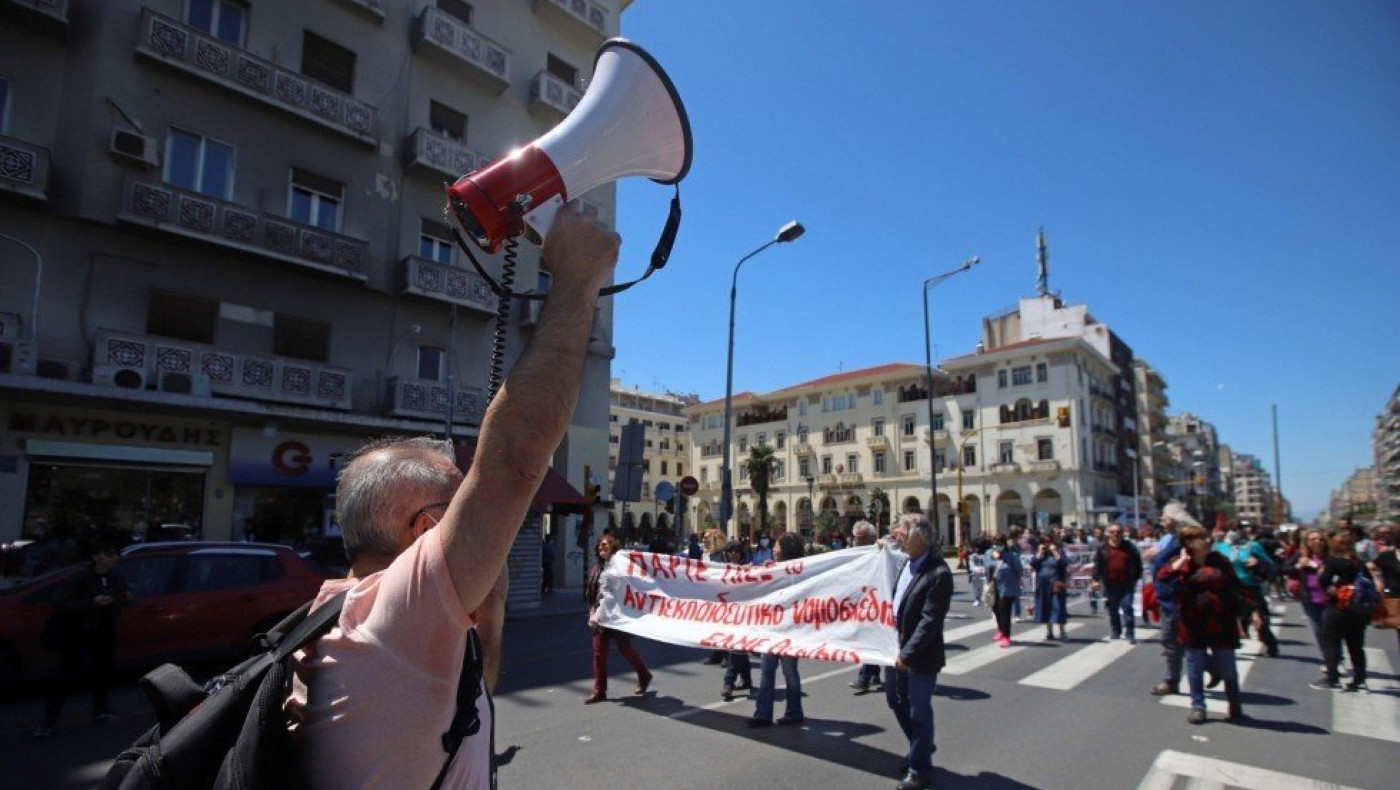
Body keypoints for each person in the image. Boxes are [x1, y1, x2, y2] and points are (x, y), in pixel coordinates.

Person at [284, 204, 619, 790]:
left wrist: (491, 605)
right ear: (422, 531)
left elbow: (472, 696)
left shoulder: (341, 610)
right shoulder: (391, 619)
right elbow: (513, 463)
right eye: (459, 506)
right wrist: (578, 279)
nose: (478, 518)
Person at [35, 536, 133, 738]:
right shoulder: (81, 578)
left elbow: (124, 597)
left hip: (105, 630)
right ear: (96, 557)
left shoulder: (116, 577)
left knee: (103, 670)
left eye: (115, 554)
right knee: (65, 675)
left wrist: (125, 599)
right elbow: (63, 604)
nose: (114, 558)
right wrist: (92, 602)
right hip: (80, 632)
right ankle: (49, 721)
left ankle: (100, 709)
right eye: (109, 554)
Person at [885, 515, 953, 790]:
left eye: (903, 531)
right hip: (894, 648)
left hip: (920, 656)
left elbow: (930, 621)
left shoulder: (939, 573)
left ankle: (919, 769)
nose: (897, 535)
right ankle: (920, 746)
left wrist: (908, 654)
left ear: (920, 537)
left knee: (918, 712)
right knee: (894, 700)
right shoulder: (906, 563)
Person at [1156, 524, 1247, 724]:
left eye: (1206, 537)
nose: (1207, 540)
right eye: (1201, 538)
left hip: (1221, 621)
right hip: (1193, 622)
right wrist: (1179, 563)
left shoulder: (1219, 560)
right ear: (1189, 543)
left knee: (1228, 667)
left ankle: (1234, 704)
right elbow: (1162, 578)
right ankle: (1198, 706)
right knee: (1195, 666)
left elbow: (1236, 586)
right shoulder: (1180, 563)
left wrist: (1249, 614)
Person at [747, 532, 807, 727]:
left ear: (786, 549)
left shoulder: (801, 571)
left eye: (777, 546)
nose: (773, 548)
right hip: (772, 629)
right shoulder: (773, 568)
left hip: (789, 630)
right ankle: (762, 714)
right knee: (767, 670)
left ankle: (794, 712)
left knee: (790, 672)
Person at [585, 534, 653, 703]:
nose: (601, 547)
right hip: (601, 616)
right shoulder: (597, 568)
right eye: (599, 545)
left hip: (617, 615)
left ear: (613, 547)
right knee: (599, 653)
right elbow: (592, 594)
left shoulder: (621, 567)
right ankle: (600, 690)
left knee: (625, 648)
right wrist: (592, 612)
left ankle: (644, 674)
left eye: (605, 544)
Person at [1310, 532, 1370, 692]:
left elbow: (1323, 581)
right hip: (1358, 609)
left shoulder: (1333, 562)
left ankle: (1332, 678)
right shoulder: (1359, 563)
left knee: (1330, 642)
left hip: (1338, 606)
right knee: (1356, 646)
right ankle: (1360, 679)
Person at [1216, 528, 1280, 657]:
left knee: (1259, 619)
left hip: (1250, 587)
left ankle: (1271, 645)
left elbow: (1270, 565)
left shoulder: (1252, 546)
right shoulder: (1220, 547)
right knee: (1226, 618)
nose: (1234, 535)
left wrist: (1257, 562)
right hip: (1228, 587)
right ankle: (1228, 647)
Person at [1148, 516, 1186, 697]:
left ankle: (1172, 681)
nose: (1161, 521)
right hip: (1166, 597)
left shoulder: (1181, 541)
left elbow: (1169, 568)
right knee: (1171, 641)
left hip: (1177, 599)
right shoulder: (1168, 539)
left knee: (1177, 641)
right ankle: (1172, 680)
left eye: (1165, 518)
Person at [1284, 529, 1332, 669]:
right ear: (1307, 542)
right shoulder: (1300, 555)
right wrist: (1298, 566)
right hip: (1310, 598)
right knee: (1318, 629)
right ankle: (1328, 659)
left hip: (1330, 598)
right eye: (1313, 539)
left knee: (1331, 630)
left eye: (1320, 539)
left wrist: (1315, 565)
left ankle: (1336, 659)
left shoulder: (1330, 556)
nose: (1317, 542)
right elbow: (1285, 569)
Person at [848, 520, 884, 694]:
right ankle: (874, 672)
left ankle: (864, 679)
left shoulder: (881, 552)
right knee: (869, 640)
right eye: (856, 538)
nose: (858, 542)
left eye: (862, 539)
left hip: (878, 602)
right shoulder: (852, 554)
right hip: (861, 602)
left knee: (871, 638)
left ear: (872, 538)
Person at [1092, 523, 1143, 644]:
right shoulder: (1102, 548)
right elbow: (1097, 565)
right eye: (1113, 532)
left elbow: (1138, 562)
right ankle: (1116, 630)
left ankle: (1130, 633)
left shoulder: (1129, 547)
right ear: (1109, 534)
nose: (1116, 534)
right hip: (1110, 583)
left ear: (1122, 533)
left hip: (1127, 583)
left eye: (1118, 532)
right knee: (1113, 609)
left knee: (1127, 607)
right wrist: (1095, 579)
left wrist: (1136, 577)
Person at [720, 540, 755, 700]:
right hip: (727, 614)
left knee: (735, 648)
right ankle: (746, 679)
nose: (733, 554)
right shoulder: (720, 570)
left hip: (743, 614)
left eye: (736, 551)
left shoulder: (748, 569)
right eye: (730, 551)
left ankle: (728, 683)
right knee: (738, 648)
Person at [1031, 534, 1069, 641]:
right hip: (1043, 585)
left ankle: (1062, 631)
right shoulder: (1040, 554)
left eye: (1049, 542)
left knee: (1058, 607)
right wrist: (1040, 553)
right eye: (1044, 543)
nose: (1046, 545)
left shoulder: (1059, 552)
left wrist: (1055, 552)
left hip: (1056, 584)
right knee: (1045, 607)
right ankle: (1049, 631)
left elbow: (1064, 563)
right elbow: (1033, 563)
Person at [987, 535, 1022, 647]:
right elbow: (987, 566)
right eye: (995, 543)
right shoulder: (989, 553)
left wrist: (1001, 559)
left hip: (1007, 586)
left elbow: (1018, 569)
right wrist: (995, 559)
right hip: (993, 586)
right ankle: (1000, 630)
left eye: (1000, 543)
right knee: (996, 609)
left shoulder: (1011, 555)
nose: (997, 545)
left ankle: (1006, 636)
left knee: (1005, 611)